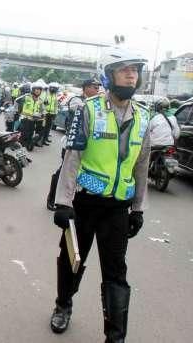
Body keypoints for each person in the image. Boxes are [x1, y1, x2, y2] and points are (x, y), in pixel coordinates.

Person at [50, 46, 151, 343]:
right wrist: (63, 202)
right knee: (71, 261)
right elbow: (73, 158)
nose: (131, 74)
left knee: (116, 274)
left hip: (117, 208)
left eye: (135, 70)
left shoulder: (144, 117)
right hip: (83, 205)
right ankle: (63, 305)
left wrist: (138, 209)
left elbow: (142, 165)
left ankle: (115, 337)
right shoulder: (88, 109)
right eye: (124, 69)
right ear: (109, 76)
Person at [46, 79, 101, 210]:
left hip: (88, 147)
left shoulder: (98, 104)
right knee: (63, 172)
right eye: (94, 87)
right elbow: (82, 109)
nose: (97, 90)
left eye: (98, 87)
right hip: (72, 144)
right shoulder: (77, 100)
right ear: (86, 88)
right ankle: (53, 198)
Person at [18, 81, 45, 151]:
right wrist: (28, 114)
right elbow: (19, 106)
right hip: (25, 119)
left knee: (32, 134)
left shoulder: (40, 101)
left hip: (34, 120)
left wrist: (42, 115)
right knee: (24, 136)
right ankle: (21, 149)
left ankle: (28, 146)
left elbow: (42, 111)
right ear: (33, 90)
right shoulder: (26, 97)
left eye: (39, 90)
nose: (38, 91)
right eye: (36, 89)